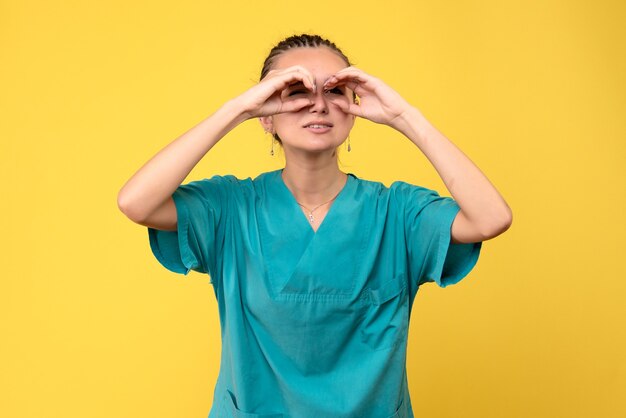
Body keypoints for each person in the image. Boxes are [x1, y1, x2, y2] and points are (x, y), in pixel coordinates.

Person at [117, 34, 512, 418]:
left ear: (355, 108)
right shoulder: (231, 209)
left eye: (336, 91)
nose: (319, 105)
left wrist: (405, 117)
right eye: (296, 91)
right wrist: (235, 111)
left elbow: (491, 218)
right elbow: (136, 202)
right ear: (266, 114)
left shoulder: (397, 213)